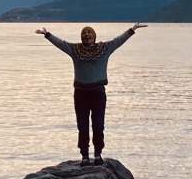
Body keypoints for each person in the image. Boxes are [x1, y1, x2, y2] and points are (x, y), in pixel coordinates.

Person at [35, 23, 147, 165]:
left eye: (89, 33)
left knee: (98, 125)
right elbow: (60, 44)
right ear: (81, 37)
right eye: (84, 33)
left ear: (94, 36)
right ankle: (85, 156)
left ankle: (98, 154)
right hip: (80, 94)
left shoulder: (105, 48)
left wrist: (132, 30)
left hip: (98, 93)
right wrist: (47, 34)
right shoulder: (75, 50)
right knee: (82, 126)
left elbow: (118, 41)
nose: (86, 35)